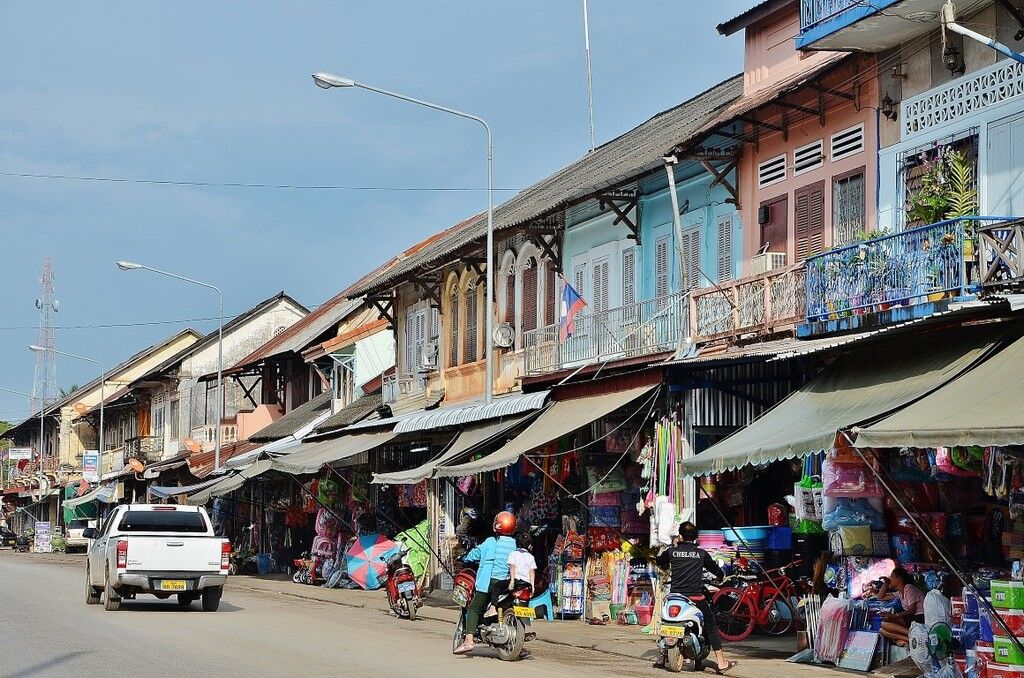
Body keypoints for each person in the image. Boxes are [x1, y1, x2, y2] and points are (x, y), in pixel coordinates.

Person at [655, 522, 735, 673]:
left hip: (675, 597)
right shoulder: (701, 554)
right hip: (695, 598)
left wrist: (669, 552)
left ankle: (663, 657)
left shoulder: (672, 552)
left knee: (666, 622)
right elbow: (717, 571)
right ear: (696, 538)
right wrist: (720, 576)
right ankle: (722, 662)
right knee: (711, 627)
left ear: (680, 536)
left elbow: (660, 561)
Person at [454, 510, 518, 655]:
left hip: (489, 581)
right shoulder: (514, 544)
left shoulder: (490, 542)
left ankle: (469, 640)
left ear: (497, 525)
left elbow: (475, 554)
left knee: (474, 608)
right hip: (507, 582)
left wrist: (464, 558)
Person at [874, 567, 926, 646]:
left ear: (899, 579)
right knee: (881, 630)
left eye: (892, 577)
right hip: (912, 619)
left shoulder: (908, 588)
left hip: (920, 618)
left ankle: (915, 635)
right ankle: (910, 639)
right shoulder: (899, 593)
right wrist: (886, 583)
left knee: (885, 624)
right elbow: (879, 597)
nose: (890, 579)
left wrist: (894, 616)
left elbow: (912, 610)